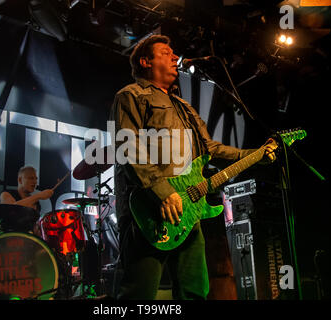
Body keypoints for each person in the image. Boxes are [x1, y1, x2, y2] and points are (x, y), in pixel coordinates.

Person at [110, 35, 277, 300]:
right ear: (145, 61)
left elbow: (211, 150)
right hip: (149, 210)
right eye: (165, 52)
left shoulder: (185, 108)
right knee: (137, 293)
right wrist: (163, 191)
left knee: (195, 290)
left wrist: (255, 155)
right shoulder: (131, 95)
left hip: (189, 211)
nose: (174, 56)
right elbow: (127, 146)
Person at [0, 166, 53, 234]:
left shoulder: (36, 203)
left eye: (36, 179)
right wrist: (39, 195)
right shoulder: (6, 194)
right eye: (31, 178)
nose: (35, 182)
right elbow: (11, 209)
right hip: (8, 237)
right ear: (20, 180)